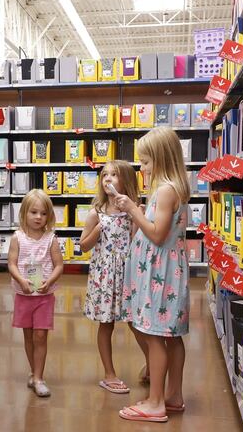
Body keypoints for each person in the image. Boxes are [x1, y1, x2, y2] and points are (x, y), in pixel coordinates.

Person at [116, 127, 191, 423]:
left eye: (145, 162)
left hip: (160, 277)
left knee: (155, 335)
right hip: (166, 272)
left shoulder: (165, 190)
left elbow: (157, 235)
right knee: (171, 336)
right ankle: (173, 395)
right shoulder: (173, 188)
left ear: (160, 159)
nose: (142, 168)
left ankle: (156, 402)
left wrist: (134, 210)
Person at [79, 160, 139, 394]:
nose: (108, 179)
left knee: (137, 323)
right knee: (106, 324)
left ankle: (150, 367)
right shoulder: (97, 213)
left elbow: (136, 243)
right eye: (105, 175)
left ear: (127, 181)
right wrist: (97, 230)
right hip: (104, 277)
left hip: (128, 274)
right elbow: (83, 246)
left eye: (114, 175)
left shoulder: (133, 211)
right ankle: (109, 372)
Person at [7, 189, 64, 397]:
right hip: (23, 295)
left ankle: (39, 377)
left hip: (44, 296)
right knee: (28, 335)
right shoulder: (17, 238)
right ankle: (33, 372)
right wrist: (21, 280)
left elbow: (59, 265)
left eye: (43, 213)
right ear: (24, 213)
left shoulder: (51, 239)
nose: (38, 217)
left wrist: (50, 281)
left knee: (41, 335)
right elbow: (11, 263)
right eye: (33, 212)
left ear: (49, 215)